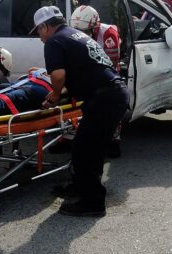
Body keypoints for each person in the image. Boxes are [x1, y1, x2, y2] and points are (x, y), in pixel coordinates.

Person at [30, 6, 129, 217]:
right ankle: (80, 187)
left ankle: (93, 203)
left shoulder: (54, 42)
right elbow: (81, 75)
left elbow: (58, 77)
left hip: (105, 98)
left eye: (39, 31)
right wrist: (60, 94)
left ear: (46, 27)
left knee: (88, 150)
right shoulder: (75, 36)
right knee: (84, 147)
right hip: (111, 94)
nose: (40, 38)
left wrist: (55, 95)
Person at [50, 5, 123, 157]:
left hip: (106, 73)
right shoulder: (77, 33)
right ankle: (70, 136)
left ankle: (113, 140)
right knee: (73, 103)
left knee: (110, 110)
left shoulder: (108, 34)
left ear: (94, 27)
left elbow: (111, 61)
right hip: (86, 72)